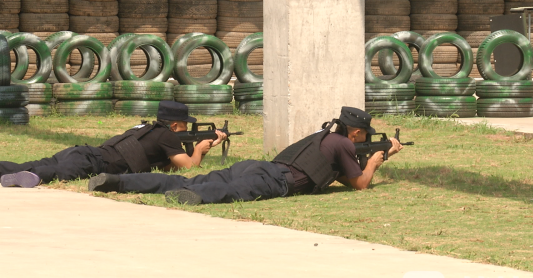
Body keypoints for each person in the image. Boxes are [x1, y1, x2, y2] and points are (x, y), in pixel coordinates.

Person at [88, 106, 403, 205]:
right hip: (276, 178)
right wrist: (377, 159)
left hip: (260, 165)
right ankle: (191, 197)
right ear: (358, 134)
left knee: (195, 177)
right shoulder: (344, 143)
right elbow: (359, 183)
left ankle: (118, 182)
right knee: (234, 192)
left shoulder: (321, 137)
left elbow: (344, 179)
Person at [0, 101, 226, 188]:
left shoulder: (147, 129)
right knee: (56, 171)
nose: (187, 129)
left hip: (85, 152)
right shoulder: (166, 136)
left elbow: (169, 166)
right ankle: (33, 177)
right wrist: (198, 150)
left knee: (37, 161)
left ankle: (7, 169)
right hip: (95, 162)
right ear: (175, 126)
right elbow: (187, 167)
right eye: (186, 126)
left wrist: (200, 149)